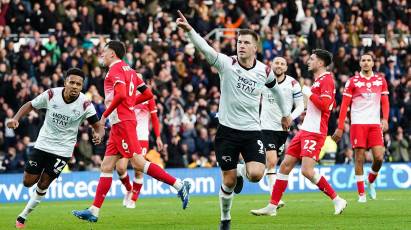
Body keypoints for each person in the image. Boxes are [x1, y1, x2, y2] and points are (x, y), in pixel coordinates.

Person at [176, 11, 291, 230]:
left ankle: (240, 171)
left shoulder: (264, 71)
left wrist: (285, 114)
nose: (241, 45)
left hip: (251, 131)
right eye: (239, 42)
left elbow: (276, 91)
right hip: (227, 131)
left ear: (254, 48)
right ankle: (225, 218)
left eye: (246, 43)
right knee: (228, 182)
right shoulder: (226, 64)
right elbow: (205, 48)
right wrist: (190, 31)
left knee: (257, 174)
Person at [72, 41, 190, 223]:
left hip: (123, 123)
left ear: (112, 54)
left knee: (138, 163)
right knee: (106, 166)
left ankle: (179, 185)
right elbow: (148, 94)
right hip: (121, 122)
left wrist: (103, 116)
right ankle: (94, 211)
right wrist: (131, 103)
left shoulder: (115, 70)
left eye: (104, 52)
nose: (101, 55)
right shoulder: (131, 71)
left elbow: (119, 95)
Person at [251, 49, 347, 216]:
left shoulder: (327, 81)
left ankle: (337, 199)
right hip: (305, 130)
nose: (308, 61)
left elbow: (325, 106)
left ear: (321, 63)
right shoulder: (318, 81)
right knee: (285, 166)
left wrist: (308, 92)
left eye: (312, 59)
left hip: (315, 132)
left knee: (306, 171)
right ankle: (272, 206)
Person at [7, 68, 105, 229]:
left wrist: (99, 134)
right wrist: (16, 118)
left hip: (63, 150)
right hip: (43, 144)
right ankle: (32, 191)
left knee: (44, 183)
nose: (74, 86)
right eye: (72, 82)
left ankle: (23, 216)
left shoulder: (85, 104)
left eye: (78, 84)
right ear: (65, 82)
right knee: (27, 182)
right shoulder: (52, 94)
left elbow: (98, 126)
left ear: (82, 87)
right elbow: (30, 104)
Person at [332, 53, 389, 202]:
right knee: (359, 158)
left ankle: (370, 181)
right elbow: (344, 105)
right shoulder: (352, 82)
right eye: (363, 60)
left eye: (368, 60)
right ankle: (361, 194)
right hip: (358, 124)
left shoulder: (380, 80)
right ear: (360, 63)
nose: (366, 62)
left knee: (379, 157)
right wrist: (340, 126)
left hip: (375, 124)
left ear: (373, 63)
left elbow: (385, 102)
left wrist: (385, 119)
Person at [250, 56, 304, 214]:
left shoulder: (293, 83)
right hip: (265, 127)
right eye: (276, 63)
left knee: (271, 165)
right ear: (271, 65)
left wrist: (290, 118)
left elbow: (301, 105)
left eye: (282, 64)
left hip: (282, 130)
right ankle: (274, 201)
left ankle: (272, 205)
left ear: (286, 67)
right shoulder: (263, 79)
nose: (279, 66)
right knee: (272, 162)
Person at [116, 95, 164, 208]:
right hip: (125, 134)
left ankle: (133, 199)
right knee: (120, 168)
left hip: (141, 137)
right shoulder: (126, 94)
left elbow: (154, 118)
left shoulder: (148, 97)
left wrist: (158, 136)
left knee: (138, 169)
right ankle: (128, 189)